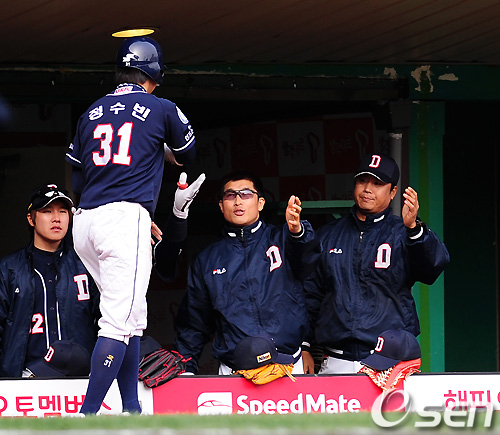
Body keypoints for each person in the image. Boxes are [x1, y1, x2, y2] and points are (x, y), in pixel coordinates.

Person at [65, 36, 198, 415]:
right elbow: (187, 153)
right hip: (123, 220)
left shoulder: (91, 111)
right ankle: (87, 416)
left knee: (132, 318)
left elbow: (77, 176)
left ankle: (132, 408)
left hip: (85, 221)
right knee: (117, 323)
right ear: (154, 75)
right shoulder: (160, 106)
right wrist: (160, 152)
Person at [302, 153, 450, 374]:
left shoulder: (403, 233)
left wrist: (414, 229)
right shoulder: (329, 234)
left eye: (377, 184)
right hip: (335, 358)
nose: (367, 189)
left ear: (393, 192)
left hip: (388, 358)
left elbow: (433, 268)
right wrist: (305, 344)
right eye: (362, 181)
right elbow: (311, 294)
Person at [174, 169, 322, 375]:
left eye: (246, 194)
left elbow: (309, 260)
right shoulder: (207, 260)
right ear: (221, 206)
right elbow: (193, 323)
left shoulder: (283, 238)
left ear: (260, 203)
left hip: (289, 364)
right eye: (230, 195)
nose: (238, 201)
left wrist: (297, 230)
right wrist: (186, 369)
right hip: (234, 370)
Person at [0, 184, 99, 377]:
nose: (57, 218)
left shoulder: (86, 265)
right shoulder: (8, 269)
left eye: (63, 211)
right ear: (31, 219)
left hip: (80, 378)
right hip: (23, 380)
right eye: (47, 211)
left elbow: (107, 320)